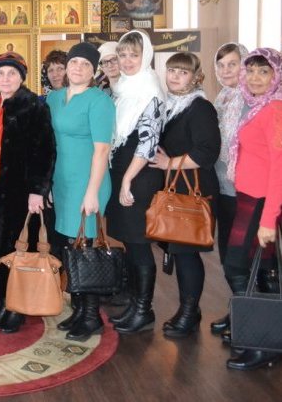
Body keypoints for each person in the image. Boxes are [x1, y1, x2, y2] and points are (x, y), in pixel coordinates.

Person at [0, 52, 56, 333]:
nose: (6, 78)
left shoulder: (33, 106)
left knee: (18, 248)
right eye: (0, 73)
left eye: (12, 73)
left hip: (20, 190)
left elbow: (45, 151)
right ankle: (2, 303)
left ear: (22, 77)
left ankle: (16, 309)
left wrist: (38, 191)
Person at [149, 53, 220, 338]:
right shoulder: (171, 104)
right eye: (172, 71)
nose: (176, 76)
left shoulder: (199, 107)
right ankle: (188, 309)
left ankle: (190, 312)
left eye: (183, 72)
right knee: (180, 254)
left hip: (193, 189)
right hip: (177, 186)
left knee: (188, 254)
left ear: (195, 77)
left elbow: (208, 152)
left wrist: (170, 163)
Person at [47, 43, 114, 341]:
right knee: (68, 245)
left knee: (86, 247)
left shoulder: (99, 101)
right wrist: (48, 184)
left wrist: (92, 192)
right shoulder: (54, 98)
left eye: (86, 64)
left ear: (93, 71)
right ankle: (78, 309)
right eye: (74, 62)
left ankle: (91, 316)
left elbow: (102, 151)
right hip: (62, 182)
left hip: (88, 182)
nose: (78, 68)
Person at [224, 48, 282, 370]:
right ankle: (265, 338)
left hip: (261, 203)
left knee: (236, 266)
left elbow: (279, 168)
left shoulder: (274, 109)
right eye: (252, 71)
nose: (256, 78)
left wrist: (269, 219)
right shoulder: (258, 106)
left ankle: (261, 342)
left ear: (276, 76)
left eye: (264, 71)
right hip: (249, 198)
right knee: (262, 270)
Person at [105, 30, 165, 335]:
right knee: (129, 242)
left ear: (146, 56)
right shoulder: (124, 88)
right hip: (122, 171)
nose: (128, 61)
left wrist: (127, 180)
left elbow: (148, 143)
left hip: (139, 176)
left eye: (134, 55)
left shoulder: (150, 90)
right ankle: (134, 305)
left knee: (139, 244)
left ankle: (144, 311)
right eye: (123, 55)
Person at [209, 43, 249, 341]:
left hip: (247, 192)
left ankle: (251, 318)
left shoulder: (253, 100)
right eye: (221, 65)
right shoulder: (222, 98)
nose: (225, 71)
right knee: (226, 253)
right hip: (224, 188)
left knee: (242, 256)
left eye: (232, 64)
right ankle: (239, 309)